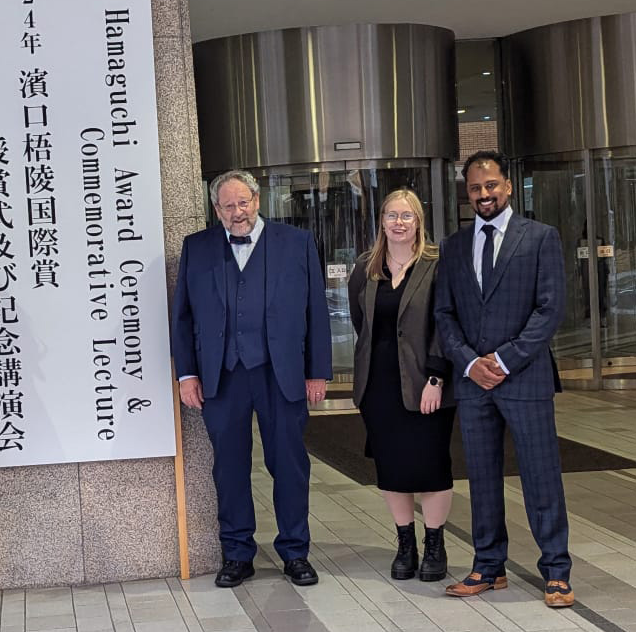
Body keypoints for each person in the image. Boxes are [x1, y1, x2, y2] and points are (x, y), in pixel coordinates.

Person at [171, 169, 332, 588]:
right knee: (229, 468)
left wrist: (317, 371)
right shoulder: (197, 248)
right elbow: (183, 318)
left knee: (290, 464)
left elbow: (317, 309)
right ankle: (238, 552)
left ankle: (295, 551)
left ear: (257, 201)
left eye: (243, 203)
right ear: (216, 209)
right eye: (228, 206)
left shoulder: (295, 243)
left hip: (282, 373)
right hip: (222, 377)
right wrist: (187, 374)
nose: (237, 212)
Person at [435, 150, 573, 607]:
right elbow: (445, 314)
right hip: (475, 383)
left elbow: (549, 308)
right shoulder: (454, 246)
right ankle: (488, 566)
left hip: (525, 377)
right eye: (474, 188)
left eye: (490, 185)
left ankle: (556, 570)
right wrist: (472, 364)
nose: (483, 195)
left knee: (540, 475)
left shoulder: (540, 238)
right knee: (482, 477)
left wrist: (506, 359)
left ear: (508, 186)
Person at [348, 188, 454, 582]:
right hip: (380, 385)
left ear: (418, 222)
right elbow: (364, 325)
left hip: (426, 382)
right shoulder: (366, 266)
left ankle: (435, 544)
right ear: (382, 221)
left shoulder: (437, 264)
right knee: (392, 468)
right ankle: (405, 543)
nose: (398, 223)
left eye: (406, 216)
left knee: (431, 465)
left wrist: (435, 377)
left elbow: (446, 323)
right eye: (392, 215)